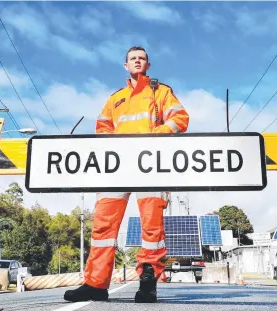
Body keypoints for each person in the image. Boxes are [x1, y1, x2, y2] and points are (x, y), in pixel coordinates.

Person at [63, 46, 189, 303]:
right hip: (117, 168)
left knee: (152, 228)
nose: (138, 61)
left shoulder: (161, 92)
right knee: (103, 228)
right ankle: (96, 284)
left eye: (142, 58)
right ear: (126, 66)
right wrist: (113, 149)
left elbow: (180, 118)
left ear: (148, 65)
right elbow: (102, 128)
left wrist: (156, 136)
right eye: (133, 58)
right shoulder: (115, 98)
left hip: (150, 165)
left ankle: (148, 283)